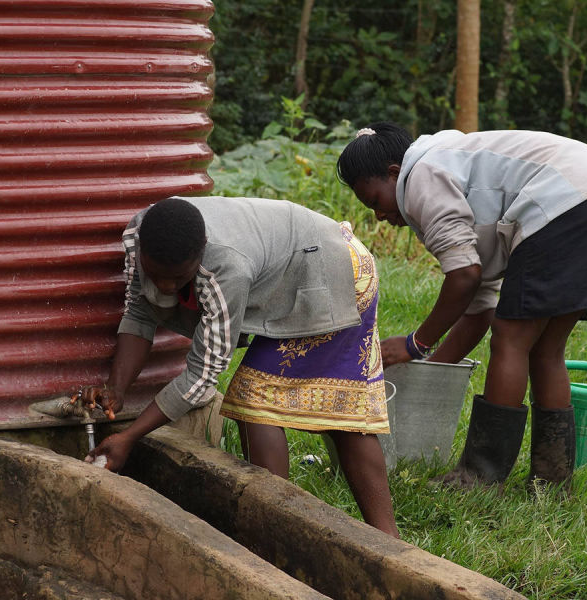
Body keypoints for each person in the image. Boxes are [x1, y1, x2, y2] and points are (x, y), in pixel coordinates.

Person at [336, 123, 587, 492]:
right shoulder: (447, 168)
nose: (379, 215)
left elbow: (464, 276)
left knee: (511, 337)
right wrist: (429, 374)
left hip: (567, 201)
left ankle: (478, 478)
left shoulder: (421, 177)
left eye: (374, 201)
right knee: (545, 348)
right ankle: (552, 480)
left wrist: (414, 344)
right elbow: (478, 304)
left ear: (393, 173)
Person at [81, 196, 399, 537]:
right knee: (304, 405)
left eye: (178, 278)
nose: (166, 288)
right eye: (157, 275)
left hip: (334, 270)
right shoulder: (139, 237)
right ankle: (334, 533)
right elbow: (140, 312)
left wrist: (129, 436)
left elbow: (202, 375)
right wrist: (116, 389)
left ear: (201, 253)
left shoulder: (225, 267)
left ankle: (276, 531)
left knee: (264, 400)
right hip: (294, 268)